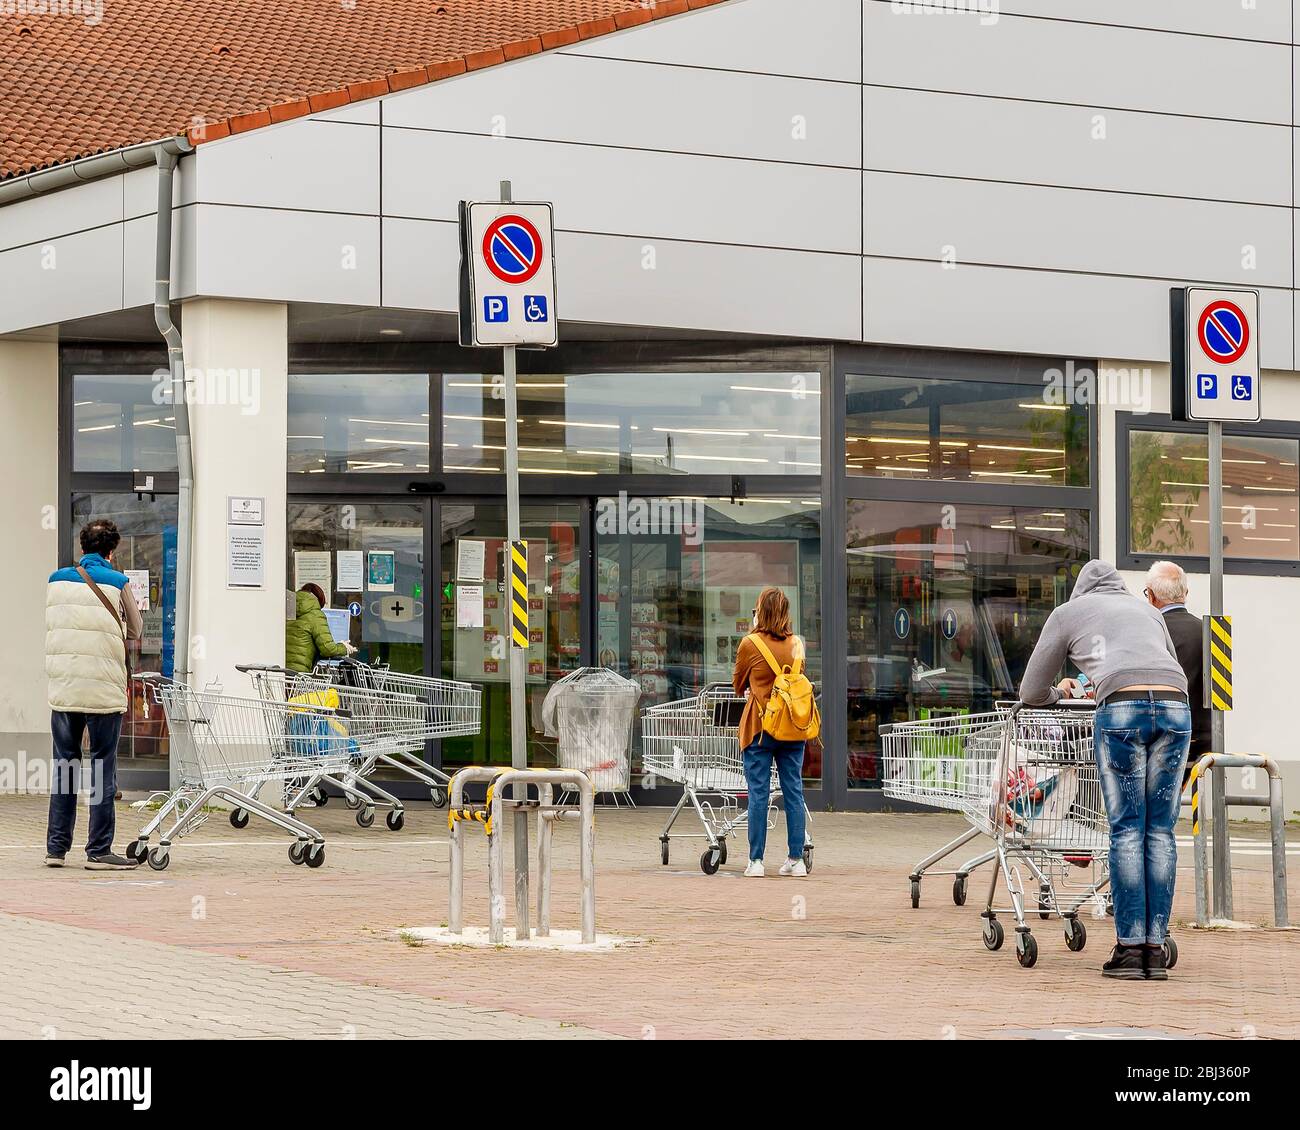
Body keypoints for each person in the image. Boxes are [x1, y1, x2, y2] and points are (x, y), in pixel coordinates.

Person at [1019, 560, 1190, 981]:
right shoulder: (1147, 610)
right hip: (1175, 706)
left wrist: (1060, 690)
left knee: (1128, 828)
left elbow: (1030, 690)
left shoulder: (1068, 614)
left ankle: (1131, 950)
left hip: (1122, 710)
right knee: (1161, 830)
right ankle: (1155, 944)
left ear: (1080, 591)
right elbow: (1159, 662)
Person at [44, 519, 144, 870]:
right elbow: (135, 629)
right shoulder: (118, 582)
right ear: (112, 552)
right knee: (103, 767)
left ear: (82, 548)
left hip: (64, 687)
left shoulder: (55, 581)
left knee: (65, 765)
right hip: (103, 689)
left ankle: (56, 849)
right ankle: (99, 850)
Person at [732, 587, 810, 878]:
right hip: (792, 727)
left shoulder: (750, 643)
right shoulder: (797, 644)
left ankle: (756, 861)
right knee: (793, 791)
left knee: (758, 793)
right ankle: (796, 859)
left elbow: (738, 684)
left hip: (760, 728)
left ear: (760, 612)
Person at [1144, 561, 1211, 779]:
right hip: (1204, 738)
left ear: (1152, 596)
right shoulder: (1209, 631)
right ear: (1185, 592)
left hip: (1160, 735)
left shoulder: (1149, 630)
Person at [285, 582, 355, 673]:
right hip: (299, 674)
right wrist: (344, 648)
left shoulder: (287, 609)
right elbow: (328, 649)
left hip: (282, 671)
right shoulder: (315, 615)